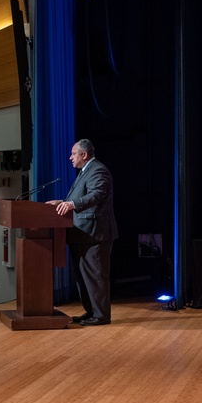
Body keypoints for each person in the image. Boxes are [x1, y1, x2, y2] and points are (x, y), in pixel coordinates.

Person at [46, 138, 118, 326]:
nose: (70, 157)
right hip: (82, 233)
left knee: (96, 275)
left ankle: (101, 316)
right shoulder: (85, 172)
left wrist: (72, 204)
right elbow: (81, 197)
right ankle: (91, 312)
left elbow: (96, 195)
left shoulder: (98, 170)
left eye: (73, 153)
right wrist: (63, 202)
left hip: (95, 234)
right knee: (83, 277)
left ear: (84, 154)